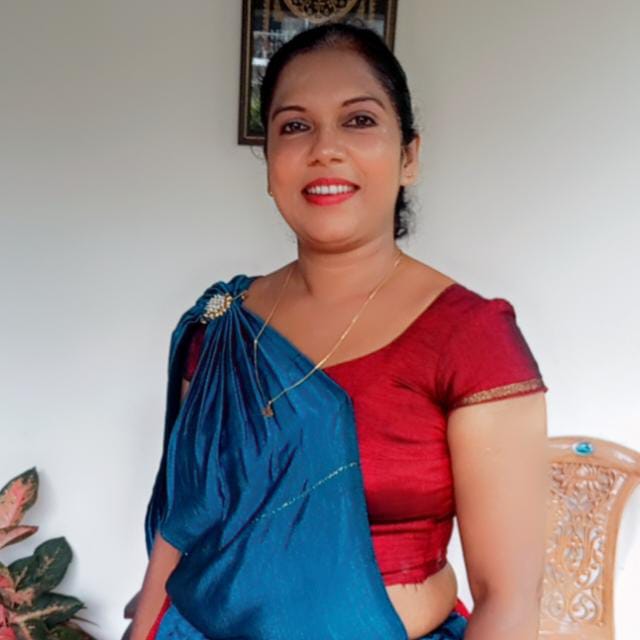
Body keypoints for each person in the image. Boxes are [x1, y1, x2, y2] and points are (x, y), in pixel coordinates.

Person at [126, 22, 549, 640]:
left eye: (359, 120)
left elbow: (509, 600)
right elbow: (180, 533)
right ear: (269, 163)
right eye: (294, 126)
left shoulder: (470, 337)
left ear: (409, 157)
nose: (325, 149)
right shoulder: (222, 328)